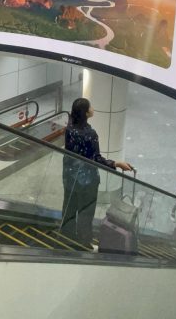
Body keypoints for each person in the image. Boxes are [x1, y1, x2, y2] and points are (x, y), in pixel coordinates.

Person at [61, 98, 134, 246]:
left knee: (69, 208)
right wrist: (116, 164)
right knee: (86, 213)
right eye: (90, 107)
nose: (93, 108)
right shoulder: (90, 134)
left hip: (70, 177)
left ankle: (66, 237)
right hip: (87, 182)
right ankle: (84, 241)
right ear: (86, 113)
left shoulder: (69, 129)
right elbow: (95, 159)